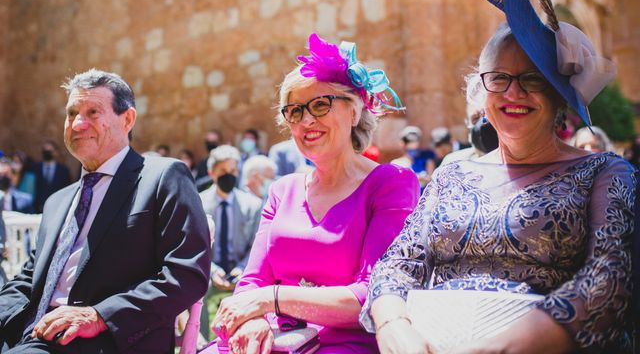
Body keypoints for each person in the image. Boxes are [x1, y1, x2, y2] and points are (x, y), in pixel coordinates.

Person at [362, 0, 635, 353]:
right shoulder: (452, 171)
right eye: (499, 78)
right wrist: (393, 325)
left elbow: (612, 275)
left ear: (559, 95)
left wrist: (506, 346)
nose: (513, 92)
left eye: (532, 79)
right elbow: (399, 263)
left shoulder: (605, 172)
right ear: (482, 88)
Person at [212, 33, 419, 353]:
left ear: (354, 111)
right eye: (294, 111)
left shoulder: (391, 184)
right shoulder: (283, 190)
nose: (307, 119)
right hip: (271, 340)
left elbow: (373, 295)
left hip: (345, 344)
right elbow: (251, 282)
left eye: (321, 104)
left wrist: (269, 301)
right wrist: (254, 320)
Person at [0, 69, 211, 353]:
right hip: (30, 335)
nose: (77, 124)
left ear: (128, 119)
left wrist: (100, 316)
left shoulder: (163, 177)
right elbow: (30, 277)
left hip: (106, 340)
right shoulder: (57, 202)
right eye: (72, 113)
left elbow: (187, 274)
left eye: (92, 112)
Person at [200, 146, 263, 317]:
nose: (229, 175)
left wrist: (242, 268)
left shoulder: (253, 205)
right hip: (208, 271)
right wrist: (212, 270)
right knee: (196, 289)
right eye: (223, 171)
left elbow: (257, 245)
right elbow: (195, 245)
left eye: (233, 170)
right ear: (211, 172)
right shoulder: (198, 203)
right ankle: (198, 341)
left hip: (241, 272)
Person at [34, 141, 72, 214]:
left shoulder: (63, 170)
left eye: (49, 151)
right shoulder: (35, 168)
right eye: (45, 151)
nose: (47, 153)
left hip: (57, 207)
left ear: (56, 152)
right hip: (37, 208)